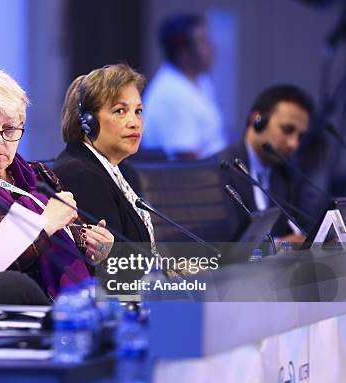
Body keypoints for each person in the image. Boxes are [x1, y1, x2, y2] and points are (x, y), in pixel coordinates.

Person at [0, 68, 114, 300]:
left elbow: (77, 237)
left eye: (9, 129)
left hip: (75, 304)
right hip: (12, 315)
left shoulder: (39, 176)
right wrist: (44, 226)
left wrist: (98, 249)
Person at [54, 63, 154, 246]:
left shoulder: (125, 172)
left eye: (138, 111)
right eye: (120, 111)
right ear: (88, 121)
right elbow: (111, 266)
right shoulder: (80, 175)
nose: (134, 122)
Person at [215, 84, 315, 241]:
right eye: (287, 130)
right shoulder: (220, 170)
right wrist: (276, 247)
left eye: (300, 136)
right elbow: (221, 244)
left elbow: (308, 229)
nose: (293, 144)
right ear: (257, 120)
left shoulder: (289, 175)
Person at [142, 13, 227, 160]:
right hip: (191, 181)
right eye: (203, 42)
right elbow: (186, 160)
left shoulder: (201, 80)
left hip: (215, 174)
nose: (212, 47)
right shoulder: (171, 94)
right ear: (184, 54)